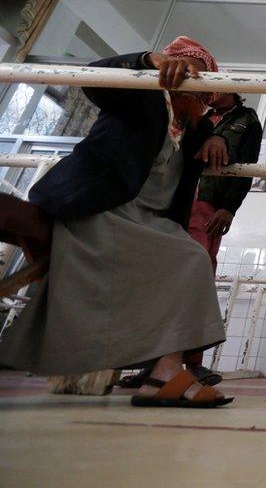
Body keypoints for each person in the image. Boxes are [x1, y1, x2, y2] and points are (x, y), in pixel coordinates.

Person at [0, 36, 233, 408]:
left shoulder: (194, 127)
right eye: (190, 76)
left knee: (190, 258)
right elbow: (90, 78)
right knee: (187, 260)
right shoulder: (139, 94)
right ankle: (165, 374)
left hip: (149, 222)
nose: (200, 93)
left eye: (205, 86)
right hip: (99, 208)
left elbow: (214, 135)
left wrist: (221, 138)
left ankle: (164, 374)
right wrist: (144, 61)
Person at [181, 92, 262, 385]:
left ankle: (192, 362)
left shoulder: (246, 119)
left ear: (234, 90)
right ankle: (152, 362)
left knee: (198, 278)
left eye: (218, 85)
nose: (212, 91)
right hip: (176, 201)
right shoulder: (197, 115)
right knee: (164, 277)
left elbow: (247, 167)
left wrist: (229, 207)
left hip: (209, 204)